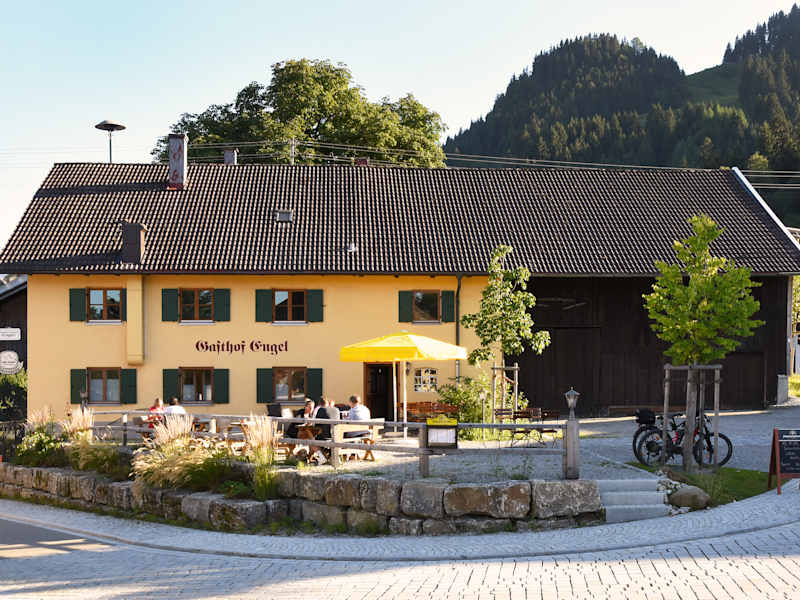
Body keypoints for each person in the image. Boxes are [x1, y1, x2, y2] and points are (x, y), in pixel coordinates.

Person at [310, 397, 340, 464]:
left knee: (310, 439)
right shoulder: (336, 409)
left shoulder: (321, 410)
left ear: (319, 404)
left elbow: (315, 425)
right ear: (327, 403)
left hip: (325, 436)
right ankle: (333, 457)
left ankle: (322, 457)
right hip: (336, 436)